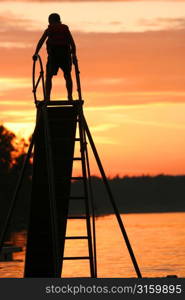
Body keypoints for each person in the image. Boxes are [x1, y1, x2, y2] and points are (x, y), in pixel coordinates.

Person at [33, 13, 77, 101]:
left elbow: (41, 41)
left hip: (54, 56)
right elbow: (72, 43)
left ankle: (47, 97)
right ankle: (70, 96)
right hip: (65, 55)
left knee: (49, 76)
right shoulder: (65, 29)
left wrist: (36, 53)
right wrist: (74, 56)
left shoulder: (49, 29)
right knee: (67, 75)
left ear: (50, 21)